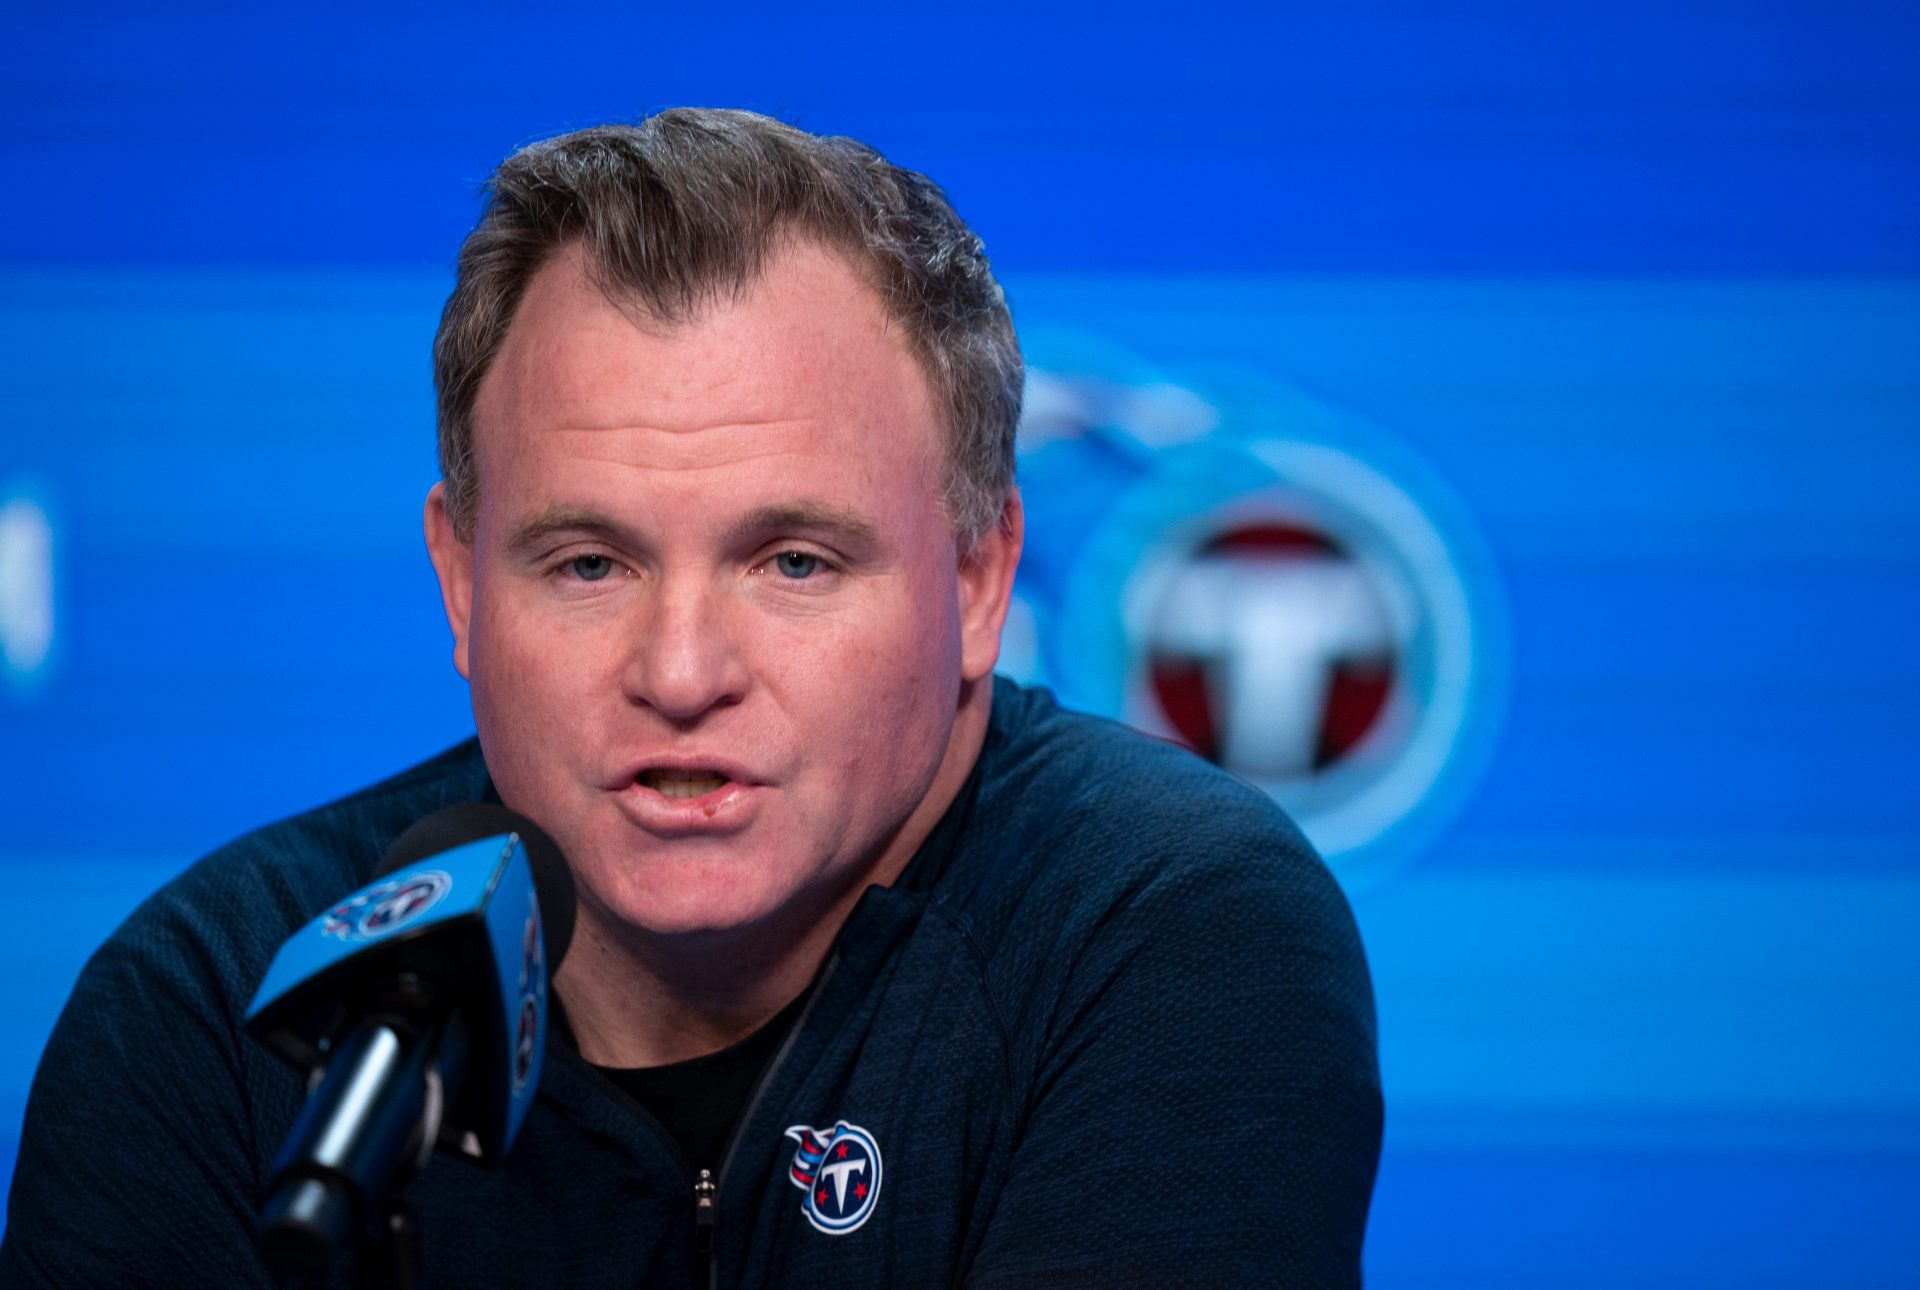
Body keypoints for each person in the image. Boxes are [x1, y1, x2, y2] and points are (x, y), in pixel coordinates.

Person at [0, 109, 1381, 1287]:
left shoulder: (1162, 926)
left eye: (791, 561)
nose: (678, 672)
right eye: (590, 562)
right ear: (462, 584)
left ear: (976, 577)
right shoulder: (218, 1005)